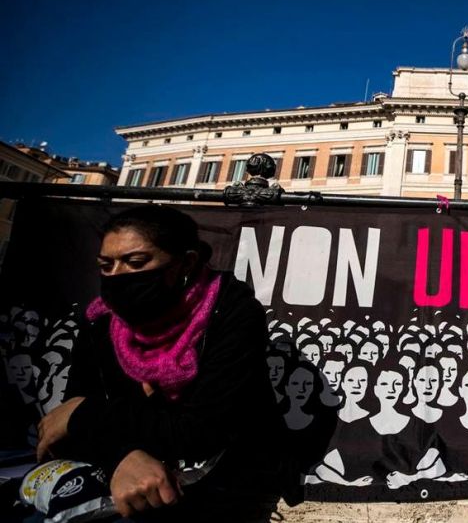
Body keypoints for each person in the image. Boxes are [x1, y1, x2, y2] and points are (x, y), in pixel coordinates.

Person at [36, 205, 293, 520]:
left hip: (229, 486)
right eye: (106, 265)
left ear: (185, 263)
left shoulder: (233, 313)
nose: (117, 276)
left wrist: (87, 414)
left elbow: (202, 431)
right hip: (134, 485)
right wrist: (124, 456)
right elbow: (70, 419)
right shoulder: (101, 321)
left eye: (135, 262)